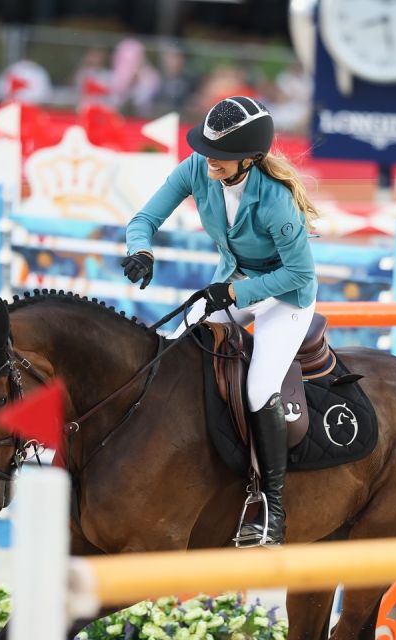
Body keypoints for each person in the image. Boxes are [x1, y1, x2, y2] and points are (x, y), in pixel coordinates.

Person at [121, 96, 319, 546]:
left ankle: (272, 508)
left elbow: (299, 274)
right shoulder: (197, 168)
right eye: (209, 150)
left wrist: (232, 293)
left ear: (249, 158)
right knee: (170, 353)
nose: (211, 160)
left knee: (259, 386)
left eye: (223, 157)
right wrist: (140, 250)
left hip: (285, 299)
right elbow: (146, 217)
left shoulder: (275, 200)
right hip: (230, 284)